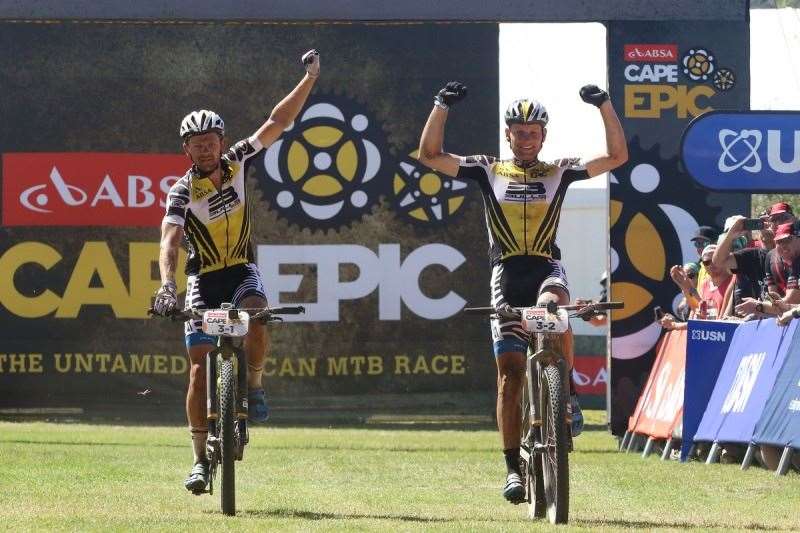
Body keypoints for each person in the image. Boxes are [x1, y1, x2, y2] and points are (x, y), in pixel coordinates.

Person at [418, 81, 627, 503]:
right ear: (507, 135)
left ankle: (565, 393)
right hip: (506, 275)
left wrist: (604, 104)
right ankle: (512, 468)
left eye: (534, 132)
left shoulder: (560, 171)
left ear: (544, 136)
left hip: (547, 267)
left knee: (553, 306)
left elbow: (618, 155)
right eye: (519, 131)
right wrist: (440, 105)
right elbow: (429, 155)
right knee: (510, 376)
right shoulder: (488, 169)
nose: (526, 137)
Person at [151, 49, 321, 493]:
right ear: (185, 148)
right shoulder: (181, 191)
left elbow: (278, 121)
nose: (205, 147)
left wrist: (309, 79)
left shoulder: (240, 160)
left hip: (242, 271)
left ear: (222, 142)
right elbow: (169, 240)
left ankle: (257, 385)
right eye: (196, 142)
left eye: (211, 140)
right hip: (203, 280)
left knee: (259, 312)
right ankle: (198, 460)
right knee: (197, 369)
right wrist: (167, 286)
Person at [712, 218, 800, 319]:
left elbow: (790, 302)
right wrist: (731, 234)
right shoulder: (770, 257)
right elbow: (718, 262)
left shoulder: (796, 261)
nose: (783, 245)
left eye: (787, 240)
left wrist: (758, 306)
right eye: (779, 241)